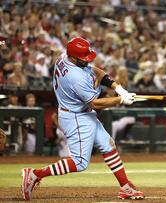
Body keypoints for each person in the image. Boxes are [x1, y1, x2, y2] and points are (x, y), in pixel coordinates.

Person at [21, 37, 144, 200]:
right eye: (83, 58)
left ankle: (125, 186)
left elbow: (95, 71)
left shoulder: (64, 57)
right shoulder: (75, 77)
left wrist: (118, 88)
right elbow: (95, 104)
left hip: (80, 112)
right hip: (76, 117)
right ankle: (35, 174)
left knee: (108, 146)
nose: (86, 60)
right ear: (73, 57)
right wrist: (121, 99)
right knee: (80, 163)